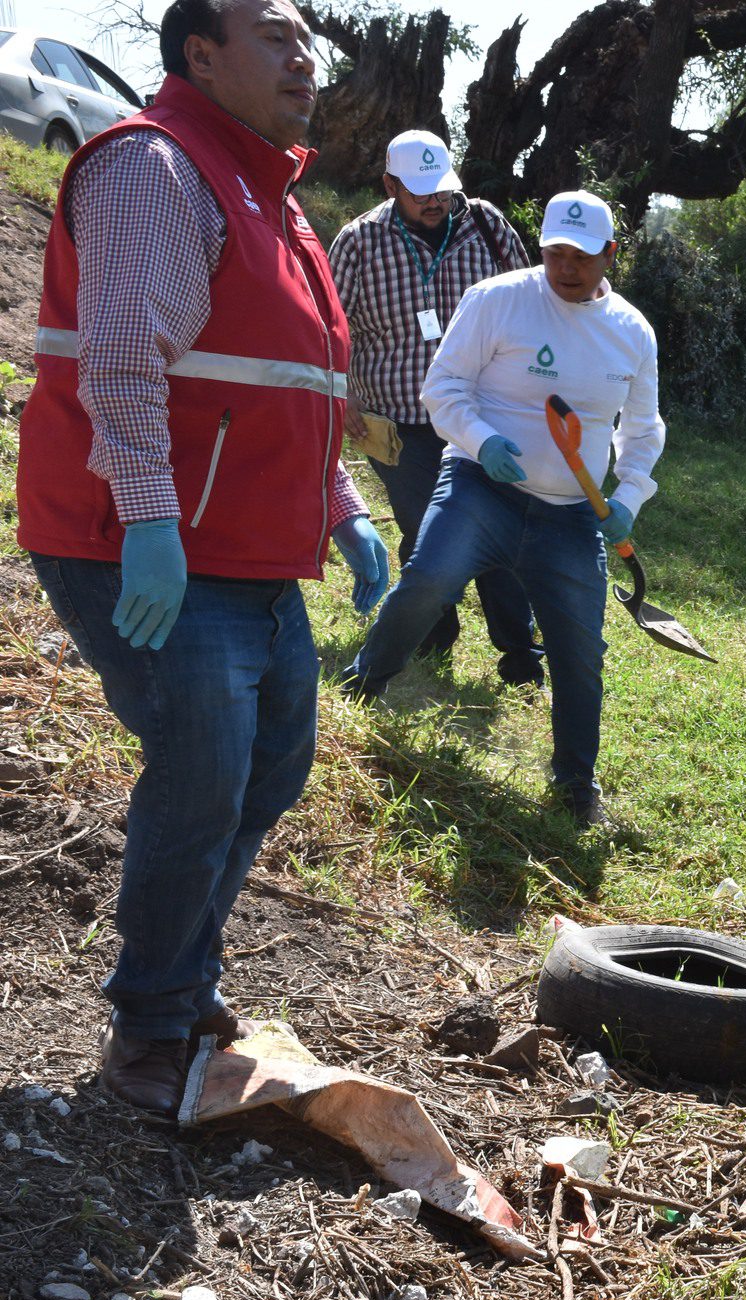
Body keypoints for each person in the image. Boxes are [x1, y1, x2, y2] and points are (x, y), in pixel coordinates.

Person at [15, 0, 388, 1115]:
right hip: (147, 542)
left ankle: (181, 977)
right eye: (273, 35)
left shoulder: (271, 196)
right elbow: (123, 362)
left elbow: (288, 388)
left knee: (270, 767)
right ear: (200, 54)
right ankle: (152, 1019)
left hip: (247, 552)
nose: (303, 56)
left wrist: (338, 507)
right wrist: (147, 519)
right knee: (203, 773)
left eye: (305, 37)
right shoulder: (154, 168)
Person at [341, 190, 665, 830]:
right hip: (481, 488)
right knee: (430, 579)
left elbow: (644, 428)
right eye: (554, 252)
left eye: (581, 255)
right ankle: (367, 678)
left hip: (570, 515)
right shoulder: (497, 300)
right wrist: (483, 441)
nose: (565, 266)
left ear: (610, 254)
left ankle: (576, 780)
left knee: (580, 650)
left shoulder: (632, 332)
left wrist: (627, 495)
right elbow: (444, 386)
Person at [328, 130, 543, 685]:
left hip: (484, 416)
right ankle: (433, 634)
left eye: (442, 189)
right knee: (428, 530)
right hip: (400, 420)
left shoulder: (487, 227)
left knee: (500, 529)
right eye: (419, 191)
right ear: (390, 185)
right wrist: (341, 393)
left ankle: (520, 653)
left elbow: (528, 303)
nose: (435, 202)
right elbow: (329, 326)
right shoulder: (360, 242)